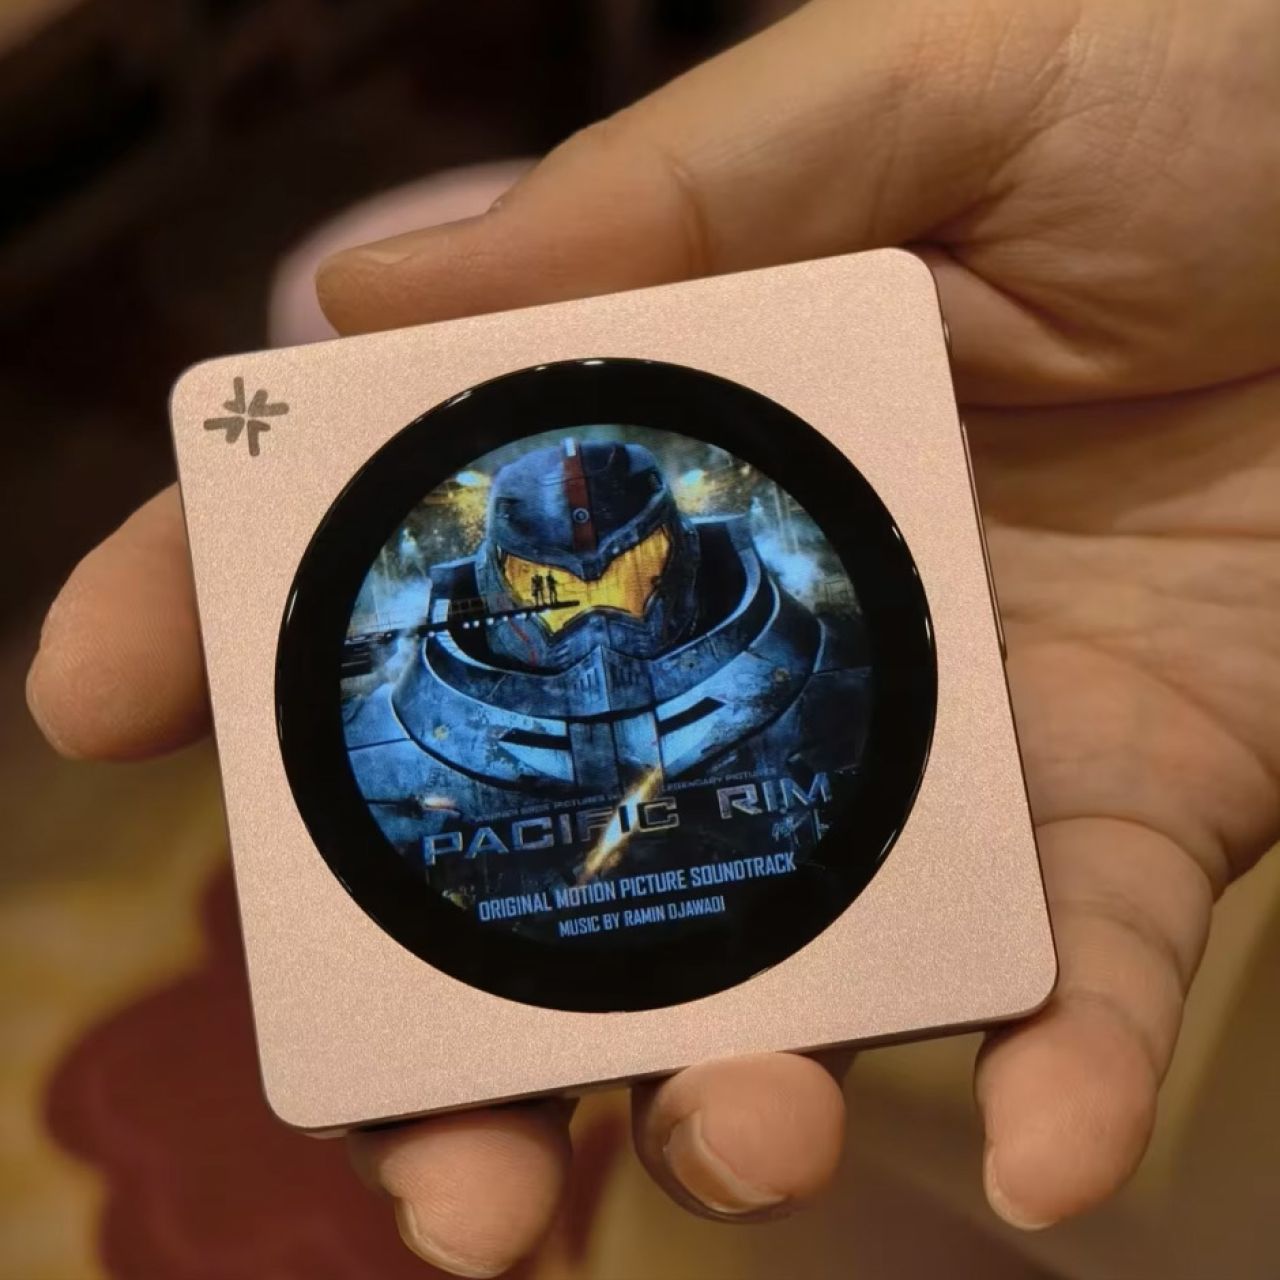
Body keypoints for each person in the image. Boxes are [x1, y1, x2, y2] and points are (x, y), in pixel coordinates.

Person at [25, 0, 1280, 1275]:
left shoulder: (824, 663)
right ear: (495, 570)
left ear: (672, 545)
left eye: (621, 568)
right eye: (548, 582)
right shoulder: (389, 731)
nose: (591, 609)